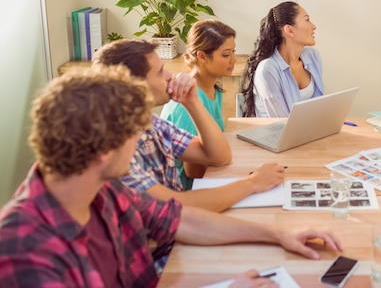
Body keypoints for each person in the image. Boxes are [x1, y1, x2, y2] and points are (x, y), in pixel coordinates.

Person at [0, 67, 342, 288]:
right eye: (135, 133)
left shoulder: (104, 190)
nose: (140, 140)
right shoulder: (24, 252)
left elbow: (179, 220)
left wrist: (279, 235)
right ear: (104, 150)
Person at [92, 39, 285, 213]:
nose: (170, 76)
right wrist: (252, 183)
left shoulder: (149, 122)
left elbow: (219, 157)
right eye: (160, 72)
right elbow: (177, 206)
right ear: (133, 87)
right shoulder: (113, 149)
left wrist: (191, 101)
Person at [160, 19, 238, 190]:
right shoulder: (186, 102)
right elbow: (193, 171)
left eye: (233, 51)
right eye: (226, 54)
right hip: (189, 190)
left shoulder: (213, 89)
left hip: (209, 177)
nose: (234, 59)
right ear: (202, 56)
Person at [240, 1, 324, 117]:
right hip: (277, 133)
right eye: (307, 19)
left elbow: (318, 106)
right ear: (289, 30)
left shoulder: (312, 56)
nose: (313, 26)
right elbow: (281, 123)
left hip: (307, 132)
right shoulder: (268, 69)